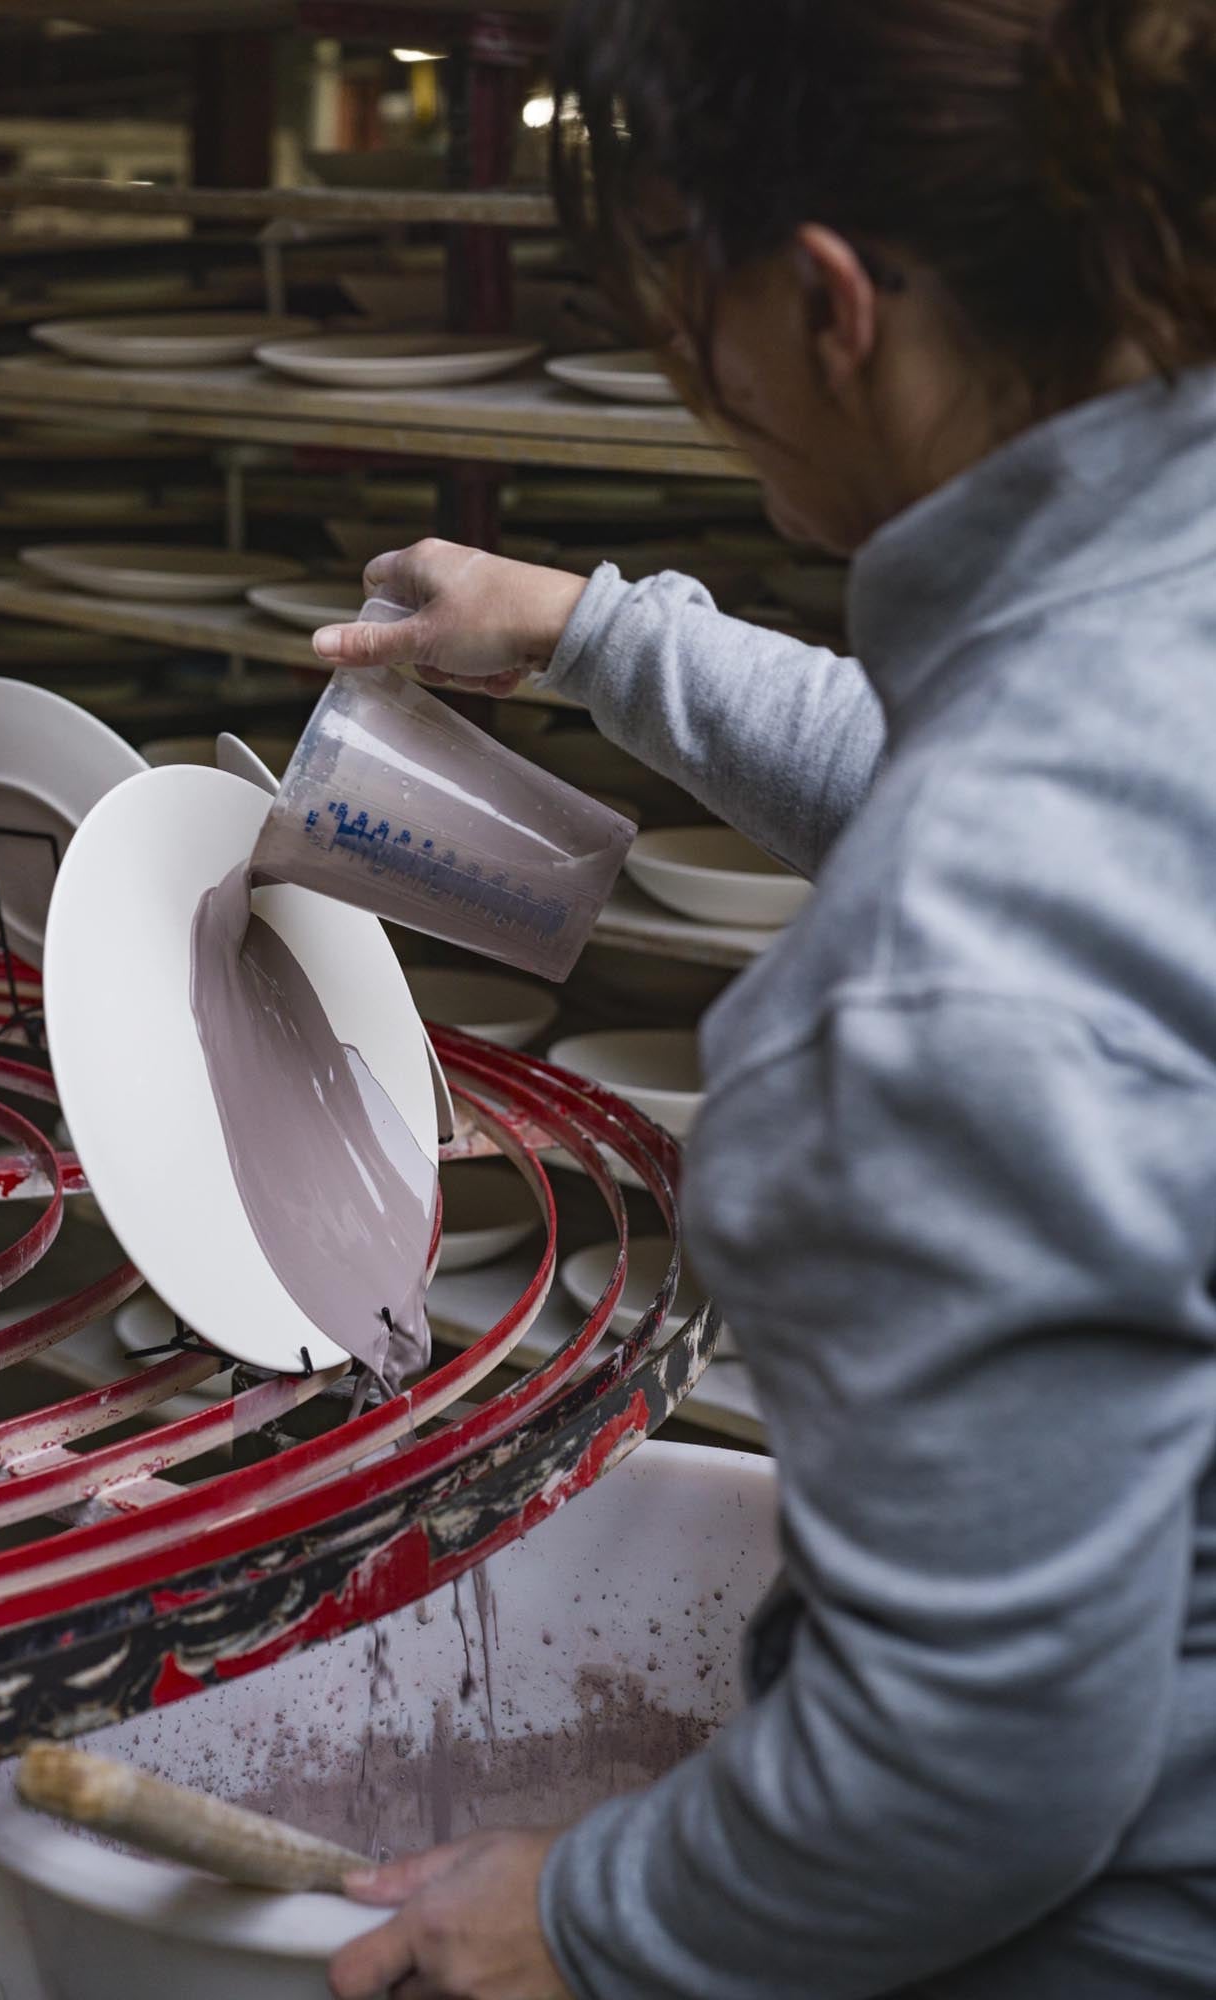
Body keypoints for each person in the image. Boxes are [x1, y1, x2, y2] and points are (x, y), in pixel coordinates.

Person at [320, 0, 1216, 1994]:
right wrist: (583, 633)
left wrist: (577, 1914)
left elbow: (974, 1773)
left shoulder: (945, 974)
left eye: (690, 314)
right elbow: (1003, 763)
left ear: (828, 308)